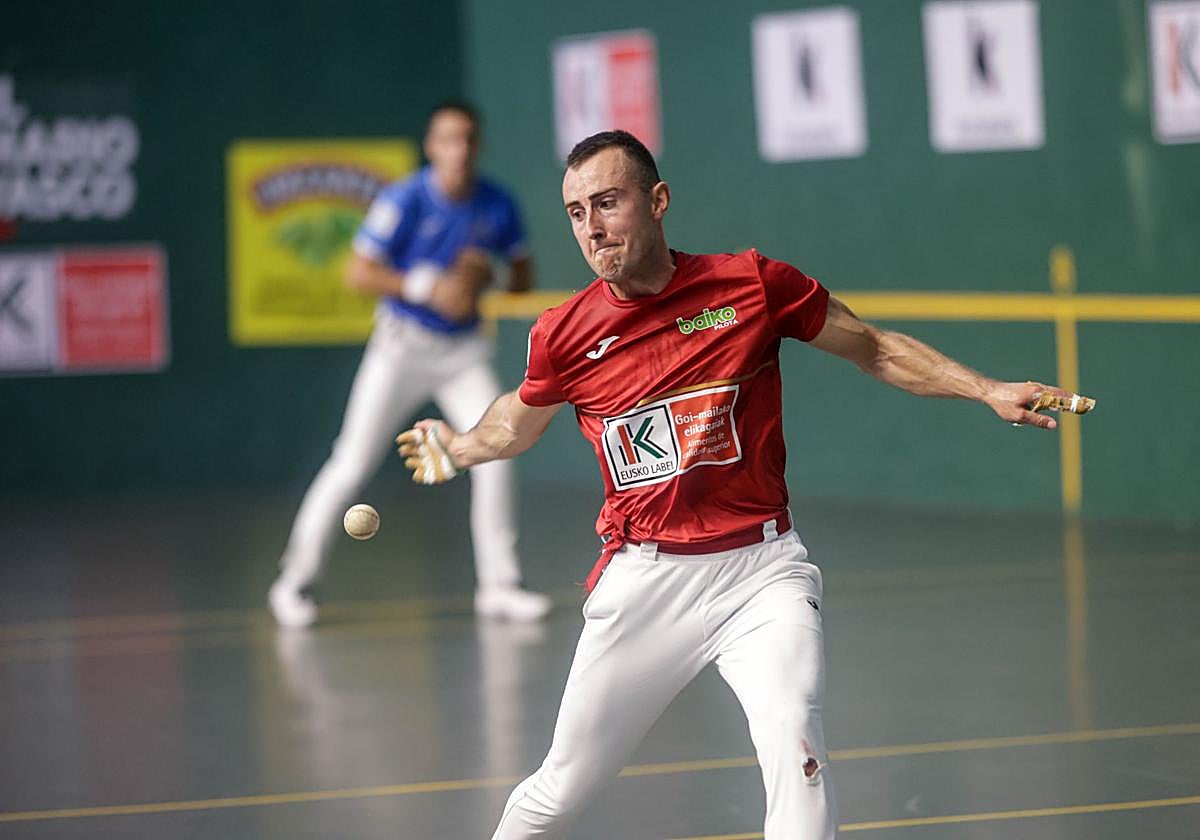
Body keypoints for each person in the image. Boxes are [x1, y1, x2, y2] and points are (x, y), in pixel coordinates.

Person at [396, 130, 1074, 839]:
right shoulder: (565, 334)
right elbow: (516, 421)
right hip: (646, 580)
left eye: (608, 202)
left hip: (762, 572)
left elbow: (872, 347)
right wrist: (460, 447)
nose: (592, 227)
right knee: (560, 790)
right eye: (576, 212)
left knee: (796, 746)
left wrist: (986, 389)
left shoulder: (750, 286)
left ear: (658, 201)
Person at [269, 102, 552, 628]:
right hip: (399, 350)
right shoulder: (403, 200)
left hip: (462, 355)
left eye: (467, 139)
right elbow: (358, 272)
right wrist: (424, 285)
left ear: (478, 145)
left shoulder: (499, 205)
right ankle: (293, 584)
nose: (458, 150)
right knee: (350, 462)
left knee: (498, 452)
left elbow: (522, 280)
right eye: (448, 139)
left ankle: (499, 586)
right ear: (431, 146)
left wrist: (485, 276)